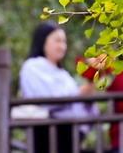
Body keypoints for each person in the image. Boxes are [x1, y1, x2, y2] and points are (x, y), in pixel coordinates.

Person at [18, 21, 97, 153]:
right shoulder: (32, 66)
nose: (62, 46)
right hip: (48, 134)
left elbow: (81, 107)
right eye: (57, 41)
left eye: (64, 42)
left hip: (71, 135)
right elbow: (45, 98)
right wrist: (79, 93)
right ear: (43, 40)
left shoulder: (64, 74)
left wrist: (88, 92)